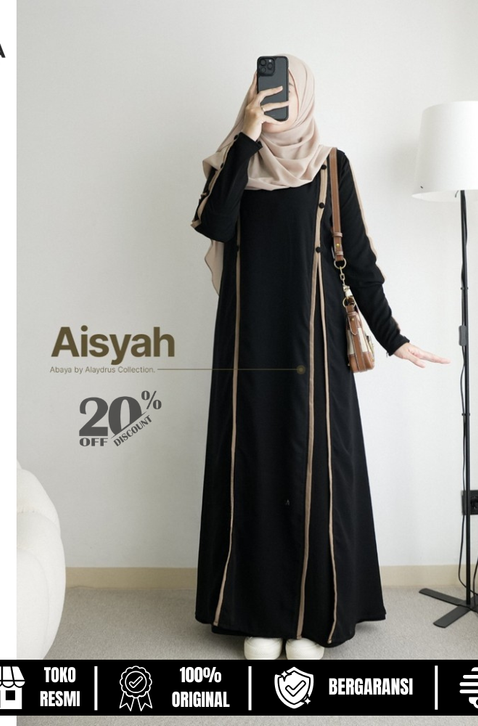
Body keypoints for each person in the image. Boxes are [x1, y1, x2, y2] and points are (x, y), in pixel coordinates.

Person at [191, 55, 449, 661]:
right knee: (252, 465)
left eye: (284, 89)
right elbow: (214, 224)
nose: (274, 98)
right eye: (264, 88)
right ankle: (258, 614)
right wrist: (246, 137)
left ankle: (312, 617)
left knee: (315, 470)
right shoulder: (233, 161)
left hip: (316, 342)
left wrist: (393, 337)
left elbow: (357, 260)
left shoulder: (332, 166)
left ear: (303, 95)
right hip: (247, 344)